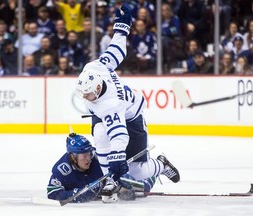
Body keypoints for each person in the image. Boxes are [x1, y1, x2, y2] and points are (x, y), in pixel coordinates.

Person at [75, 5, 180, 203]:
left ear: (97, 89)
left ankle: (161, 165)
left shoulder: (109, 104)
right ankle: (110, 182)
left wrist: (117, 158)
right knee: (99, 134)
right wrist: (122, 28)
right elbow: (116, 51)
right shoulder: (95, 68)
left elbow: (120, 134)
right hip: (111, 112)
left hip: (132, 119)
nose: (84, 98)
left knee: (138, 171)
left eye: (87, 94)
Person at [47, 133, 157, 203]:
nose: (88, 159)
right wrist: (78, 193)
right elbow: (52, 192)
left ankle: (156, 170)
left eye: (89, 154)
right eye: (84, 156)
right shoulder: (62, 170)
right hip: (100, 189)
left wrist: (120, 186)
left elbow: (117, 175)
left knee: (144, 187)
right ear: (72, 156)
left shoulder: (99, 157)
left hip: (110, 183)